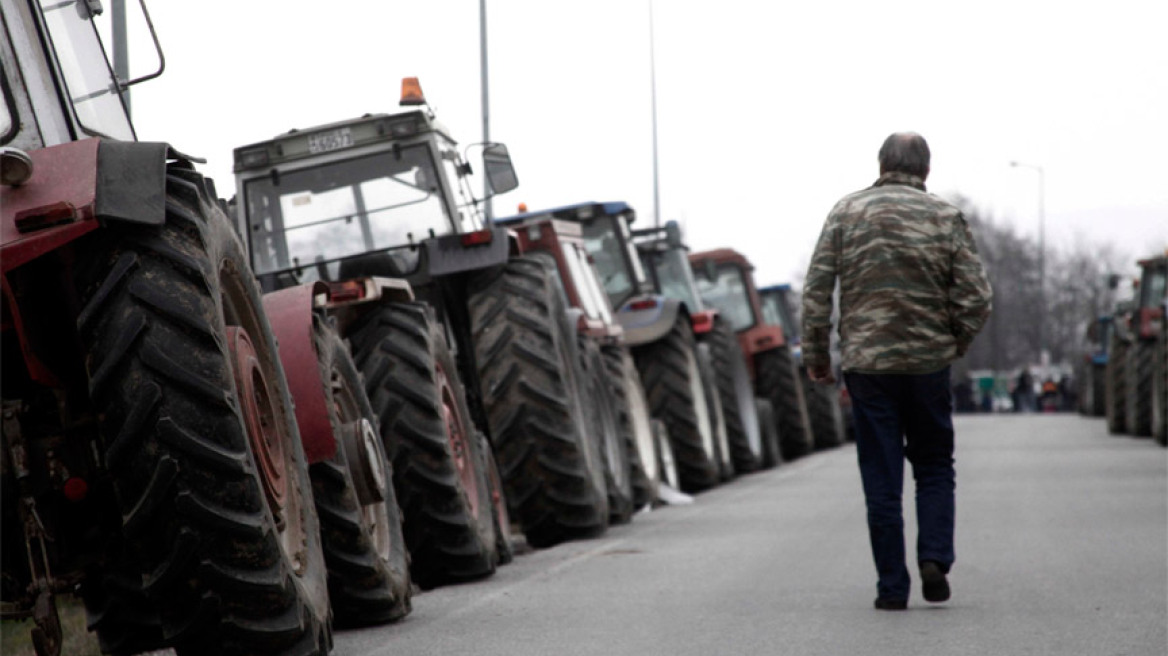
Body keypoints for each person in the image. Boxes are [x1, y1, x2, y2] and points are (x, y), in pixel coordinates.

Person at [801, 132, 992, 610]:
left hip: (868, 368)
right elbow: (976, 297)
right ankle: (934, 556)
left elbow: (817, 291)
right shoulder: (945, 217)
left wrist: (818, 358)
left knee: (881, 477)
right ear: (925, 170)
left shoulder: (846, 213)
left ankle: (891, 587)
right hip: (927, 365)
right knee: (932, 466)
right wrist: (954, 343)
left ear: (881, 163)